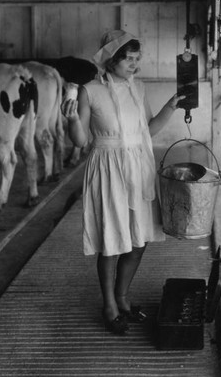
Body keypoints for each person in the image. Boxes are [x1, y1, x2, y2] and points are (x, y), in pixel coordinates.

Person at [62, 30, 184, 335]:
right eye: (127, 58)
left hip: (138, 166)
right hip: (107, 167)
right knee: (112, 241)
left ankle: (123, 297)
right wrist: (73, 120)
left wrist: (172, 105)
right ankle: (109, 305)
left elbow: (148, 129)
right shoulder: (89, 91)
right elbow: (80, 141)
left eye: (136, 58)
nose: (134, 64)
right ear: (111, 59)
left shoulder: (138, 88)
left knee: (139, 240)